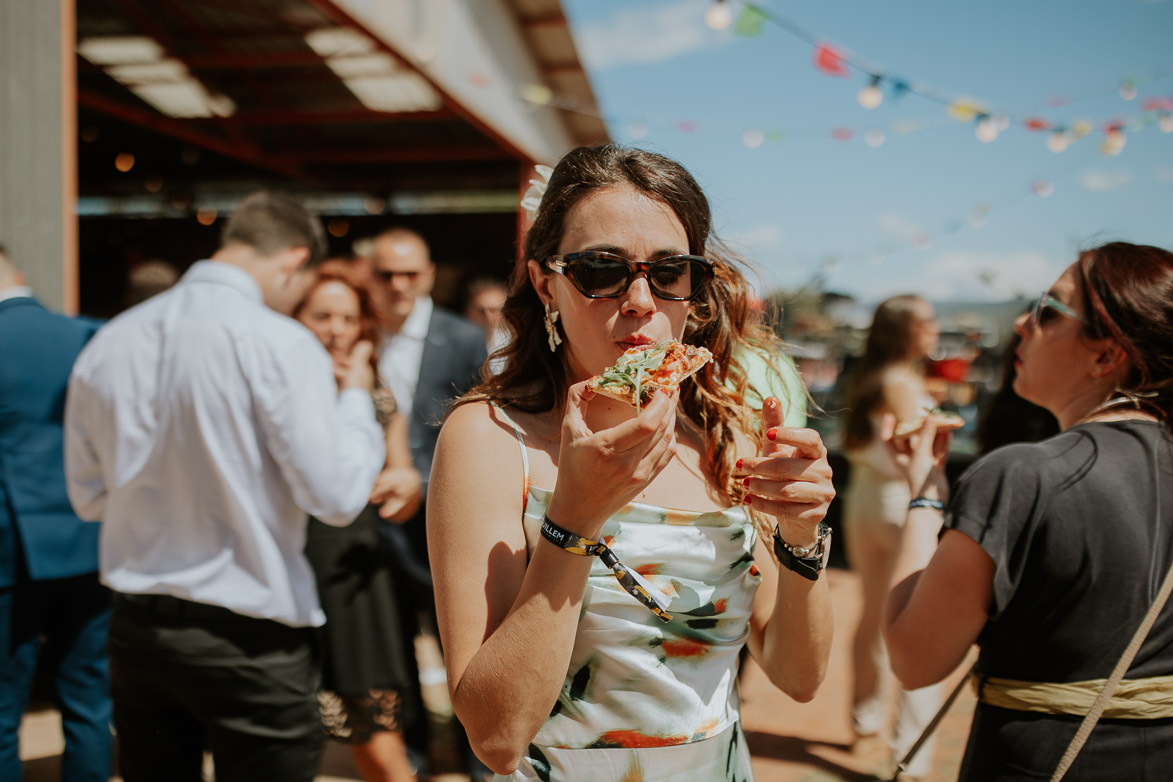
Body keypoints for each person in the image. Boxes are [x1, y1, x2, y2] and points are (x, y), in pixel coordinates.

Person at [427, 144, 836, 781]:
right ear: (546, 285)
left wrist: (802, 541)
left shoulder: (729, 434)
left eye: (669, 271)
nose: (642, 299)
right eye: (601, 269)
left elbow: (798, 675)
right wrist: (576, 519)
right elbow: (497, 738)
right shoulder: (488, 438)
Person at [64, 192, 386, 782]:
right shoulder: (279, 343)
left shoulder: (110, 341)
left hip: (140, 629)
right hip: (249, 637)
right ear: (293, 260)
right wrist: (356, 401)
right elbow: (337, 498)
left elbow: (87, 498)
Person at [884, 242, 1173, 780]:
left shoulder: (1022, 475)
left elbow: (912, 658)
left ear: (1107, 355)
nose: (1021, 323)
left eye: (1048, 311)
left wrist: (925, 495)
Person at [367, 226, 488, 778]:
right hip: (367, 522)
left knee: (454, 641)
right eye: (387, 274)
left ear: (429, 275)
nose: (398, 285)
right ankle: (412, 757)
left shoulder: (461, 337)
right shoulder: (355, 333)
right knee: (390, 647)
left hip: (437, 514)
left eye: (409, 274)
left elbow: (477, 425)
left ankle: (477, 758)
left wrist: (420, 479)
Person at [294, 260, 422, 782]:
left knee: (376, 733)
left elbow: (402, 474)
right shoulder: (283, 384)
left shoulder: (376, 383)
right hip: (295, 560)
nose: (337, 329)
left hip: (357, 568)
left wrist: (407, 485)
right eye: (322, 315)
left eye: (348, 318)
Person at [0, 247, 109, 782]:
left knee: (2, 707)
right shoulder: (92, 335)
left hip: (10, 549)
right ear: (19, 274)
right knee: (88, 696)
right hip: (89, 538)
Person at [839, 294, 942, 778]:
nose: (934, 328)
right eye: (926, 320)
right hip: (900, 506)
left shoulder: (870, 377)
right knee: (920, 626)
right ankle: (911, 754)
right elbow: (912, 445)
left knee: (872, 616)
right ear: (905, 330)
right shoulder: (901, 380)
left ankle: (865, 724)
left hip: (863, 501)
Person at [463, 277, 511, 374]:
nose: (488, 316)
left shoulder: (516, 345)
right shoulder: (455, 343)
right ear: (468, 311)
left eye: (493, 310)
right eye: (481, 310)